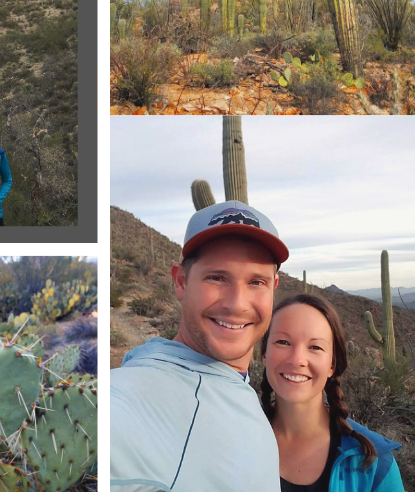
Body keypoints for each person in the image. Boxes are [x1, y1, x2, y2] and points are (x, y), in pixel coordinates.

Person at [111, 200, 287, 491]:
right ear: (181, 281)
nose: (237, 304)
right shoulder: (123, 399)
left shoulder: (232, 385)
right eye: (217, 278)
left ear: (274, 287)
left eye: (256, 282)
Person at [260, 294, 404, 492]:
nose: (297, 360)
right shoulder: (231, 437)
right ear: (264, 354)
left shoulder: (373, 460)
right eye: (283, 342)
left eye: (315, 347)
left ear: (332, 365)